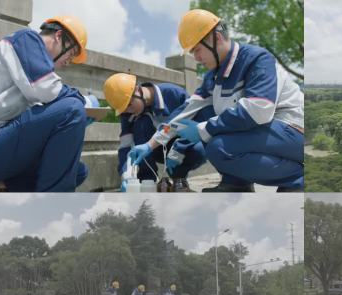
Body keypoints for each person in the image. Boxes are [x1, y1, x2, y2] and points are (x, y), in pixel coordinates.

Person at [128, 9, 304, 192]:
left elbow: (258, 110)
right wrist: (150, 145)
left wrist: (203, 128)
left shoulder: (257, 59)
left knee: (218, 145)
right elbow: (185, 110)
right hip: (266, 132)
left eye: (197, 50)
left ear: (216, 38)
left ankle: (297, 177)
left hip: (293, 130)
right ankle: (236, 183)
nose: (196, 58)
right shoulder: (213, 77)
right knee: (213, 137)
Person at [0, 16, 94, 192]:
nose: (66, 64)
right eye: (69, 55)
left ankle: (3, 186)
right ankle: (51, 208)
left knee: (78, 171)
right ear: (58, 35)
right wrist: (82, 101)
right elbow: (49, 90)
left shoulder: (32, 69)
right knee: (72, 109)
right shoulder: (26, 40)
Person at [103, 73, 207, 192]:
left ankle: (179, 177)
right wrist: (126, 175)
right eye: (124, 109)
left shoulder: (173, 93)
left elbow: (194, 124)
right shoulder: (127, 113)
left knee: (200, 149)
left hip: (181, 146)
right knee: (141, 123)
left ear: (137, 90)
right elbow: (126, 146)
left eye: (129, 105)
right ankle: (147, 180)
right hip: (152, 149)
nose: (128, 111)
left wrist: (180, 148)